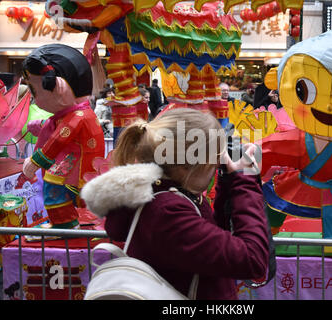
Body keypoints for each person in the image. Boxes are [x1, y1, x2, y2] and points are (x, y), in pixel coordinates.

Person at [80, 108, 270, 300]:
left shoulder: (162, 196)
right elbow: (252, 259)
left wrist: (230, 182)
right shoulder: (167, 212)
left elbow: (215, 240)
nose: (217, 166)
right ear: (190, 166)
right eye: (214, 160)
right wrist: (246, 182)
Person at [21, 44, 105, 230]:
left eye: (34, 91)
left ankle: (63, 223)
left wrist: (34, 162)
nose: (34, 97)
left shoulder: (79, 116)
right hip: (74, 160)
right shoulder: (74, 114)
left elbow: (57, 140)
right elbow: (58, 130)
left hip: (80, 164)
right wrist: (43, 126)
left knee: (54, 183)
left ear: (58, 87)